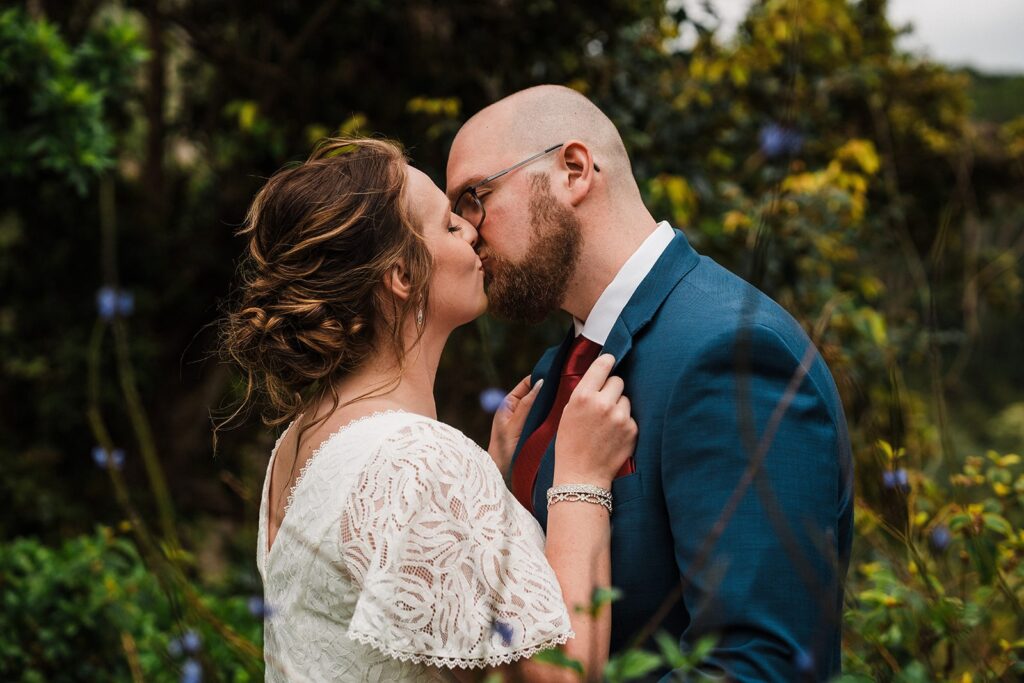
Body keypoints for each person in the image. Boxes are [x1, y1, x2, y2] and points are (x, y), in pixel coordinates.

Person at [446, 85, 854, 682]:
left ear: (574, 170)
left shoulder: (735, 352)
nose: (468, 232)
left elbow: (759, 666)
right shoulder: (548, 376)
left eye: (475, 198)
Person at [220, 137, 638, 682]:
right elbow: (562, 677)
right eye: (448, 224)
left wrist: (493, 488)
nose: (471, 229)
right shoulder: (416, 459)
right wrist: (582, 477)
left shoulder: (299, 443)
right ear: (402, 276)